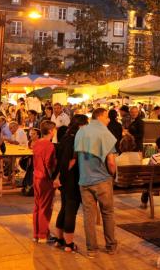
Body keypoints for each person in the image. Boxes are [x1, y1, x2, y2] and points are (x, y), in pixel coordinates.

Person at [74, 107, 118, 257]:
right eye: (107, 117)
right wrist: (113, 173)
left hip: (85, 180)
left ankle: (91, 249)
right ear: (101, 116)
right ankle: (111, 246)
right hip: (102, 180)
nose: (109, 120)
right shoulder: (104, 133)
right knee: (107, 213)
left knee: (88, 216)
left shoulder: (81, 131)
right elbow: (111, 162)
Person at [53, 114, 89, 252]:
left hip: (64, 179)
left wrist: (59, 177)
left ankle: (59, 239)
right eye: (86, 124)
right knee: (71, 210)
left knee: (64, 207)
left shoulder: (66, 137)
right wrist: (63, 176)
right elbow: (71, 161)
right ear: (81, 125)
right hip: (72, 179)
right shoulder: (77, 139)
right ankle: (69, 244)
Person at [32, 120, 57, 243]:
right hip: (45, 179)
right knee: (45, 207)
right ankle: (43, 235)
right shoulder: (49, 145)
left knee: (37, 206)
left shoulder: (36, 143)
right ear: (51, 131)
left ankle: (36, 233)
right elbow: (49, 165)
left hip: (36, 176)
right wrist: (54, 178)